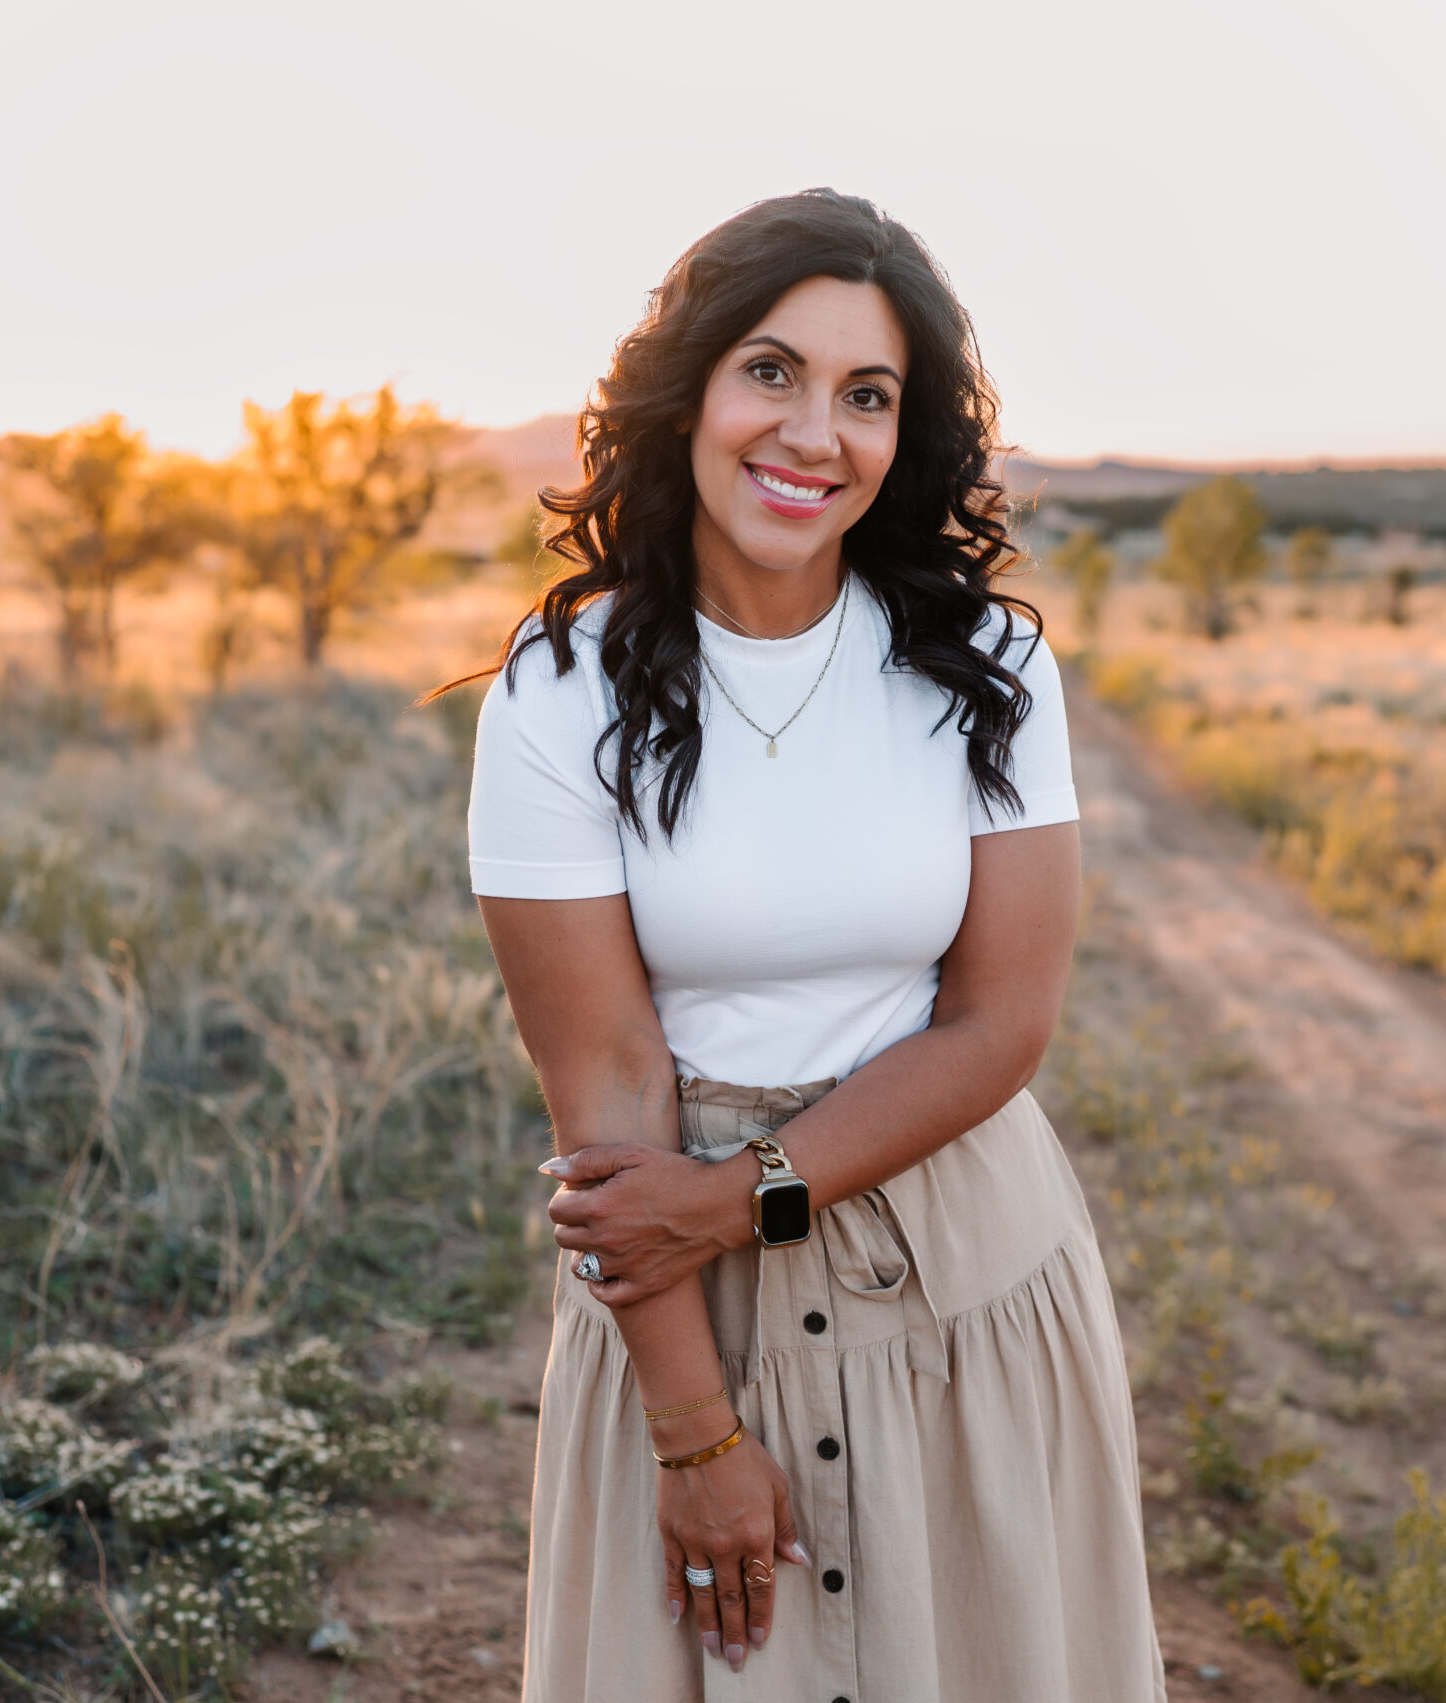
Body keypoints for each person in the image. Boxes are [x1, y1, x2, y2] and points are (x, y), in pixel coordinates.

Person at [463, 189, 1163, 1701]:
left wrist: (738, 1203)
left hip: (965, 1277)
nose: (812, 433)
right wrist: (695, 1435)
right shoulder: (557, 692)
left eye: (867, 396)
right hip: (677, 1301)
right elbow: (606, 1083)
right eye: (772, 372)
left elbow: (999, 1028)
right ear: (693, 391)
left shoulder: (988, 672)